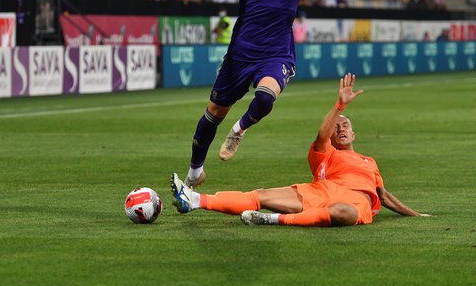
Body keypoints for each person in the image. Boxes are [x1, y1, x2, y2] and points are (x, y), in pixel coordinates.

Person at [146, 0, 355, 187]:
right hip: (240, 56)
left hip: (277, 55)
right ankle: (195, 172)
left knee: (266, 96)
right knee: (213, 115)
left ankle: (239, 129)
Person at [170, 73, 430, 227]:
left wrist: (415, 214)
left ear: (353, 134)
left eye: (345, 125)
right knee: (259, 194)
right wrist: (339, 107)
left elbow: (383, 196)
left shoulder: (369, 162)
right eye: (337, 126)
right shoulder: (325, 153)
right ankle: (193, 200)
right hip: (319, 191)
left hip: (354, 200)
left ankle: (272, 220)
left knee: (344, 213)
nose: (340, 129)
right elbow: (321, 135)